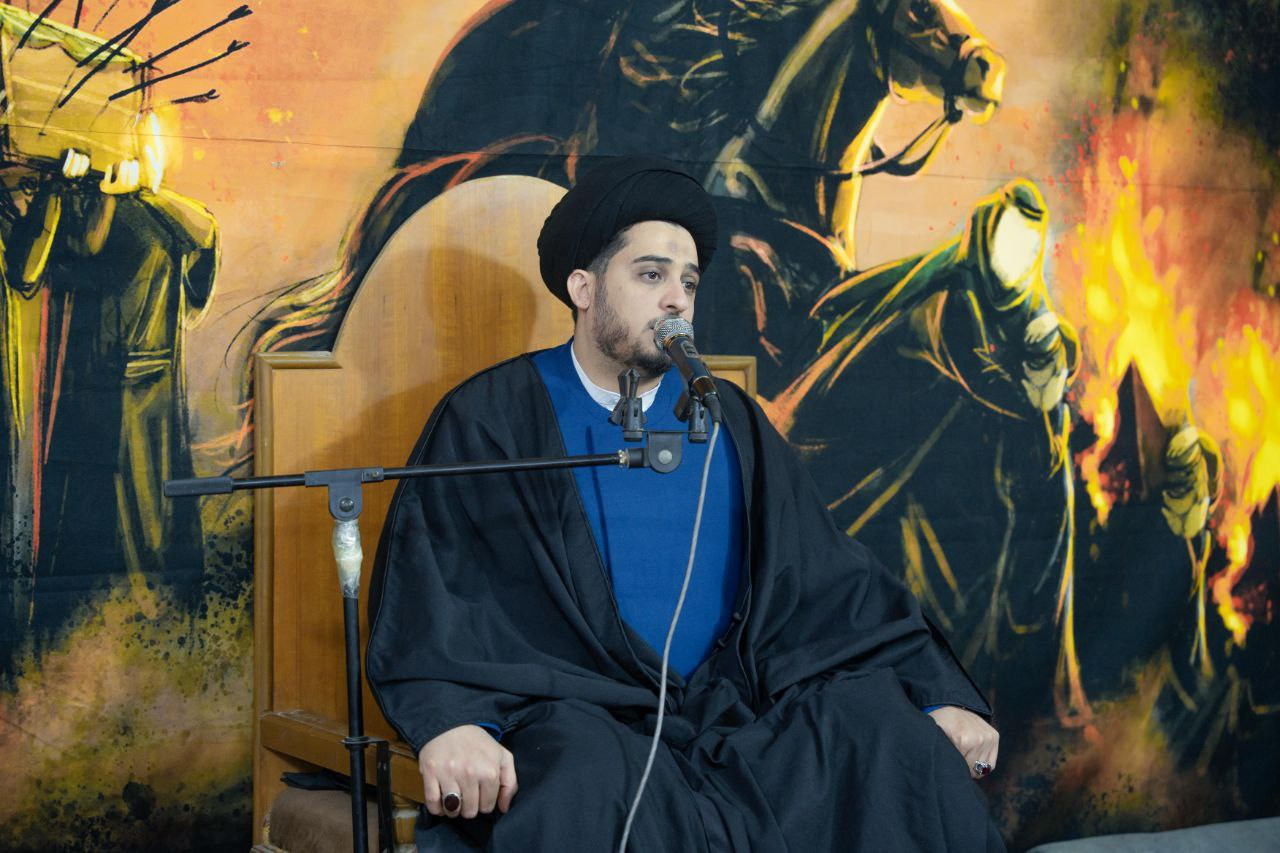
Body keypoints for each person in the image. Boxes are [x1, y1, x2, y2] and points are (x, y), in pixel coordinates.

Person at [366, 156, 1005, 851]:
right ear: (583, 288)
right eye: (651, 275)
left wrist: (936, 692)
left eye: (689, 282)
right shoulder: (494, 418)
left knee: (881, 734)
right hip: (588, 719)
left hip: (733, 712)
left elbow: (828, 583)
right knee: (582, 779)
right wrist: (455, 721)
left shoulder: (729, 417)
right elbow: (441, 597)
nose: (677, 299)